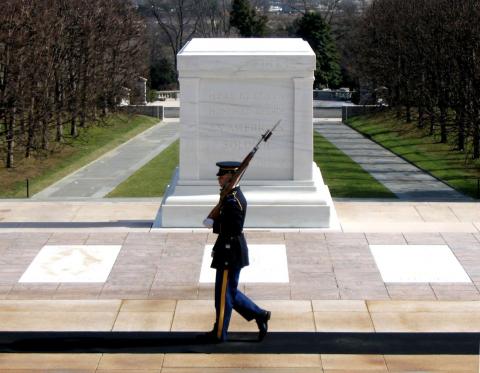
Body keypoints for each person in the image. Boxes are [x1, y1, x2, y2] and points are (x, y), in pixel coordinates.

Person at [201, 161, 271, 343]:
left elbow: (234, 227)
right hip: (227, 250)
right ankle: (260, 314)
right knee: (227, 292)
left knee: (224, 295)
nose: (219, 178)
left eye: (222, 176)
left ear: (231, 177)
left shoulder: (234, 200)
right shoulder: (229, 195)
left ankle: (220, 334)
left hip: (230, 251)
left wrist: (214, 224)